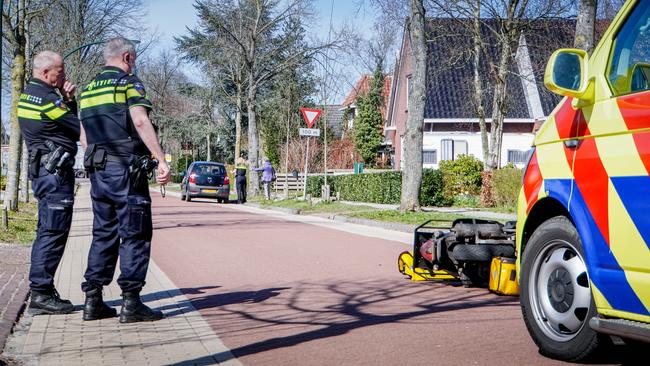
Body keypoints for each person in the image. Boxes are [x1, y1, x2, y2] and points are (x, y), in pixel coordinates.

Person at [78, 37, 171, 323]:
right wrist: (161, 158)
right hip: (126, 171)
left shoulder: (89, 89)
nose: (135, 64)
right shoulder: (128, 83)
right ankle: (131, 303)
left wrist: (93, 158)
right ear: (128, 57)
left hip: (99, 169)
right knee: (135, 233)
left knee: (103, 232)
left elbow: (83, 133)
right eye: (136, 59)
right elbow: (140, 120)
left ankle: (92, 301)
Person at [17, 51, 79, 315]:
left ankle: (43, 290)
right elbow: (75, 128)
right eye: (60, 71)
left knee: (46, 231)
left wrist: (66, 99)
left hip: (44, 172)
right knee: (53, 233)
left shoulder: (29, 94)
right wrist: (69, 102)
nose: (63, 76)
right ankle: (41, 294)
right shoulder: (45, 98)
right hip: (54, 174)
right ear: (45, 73)